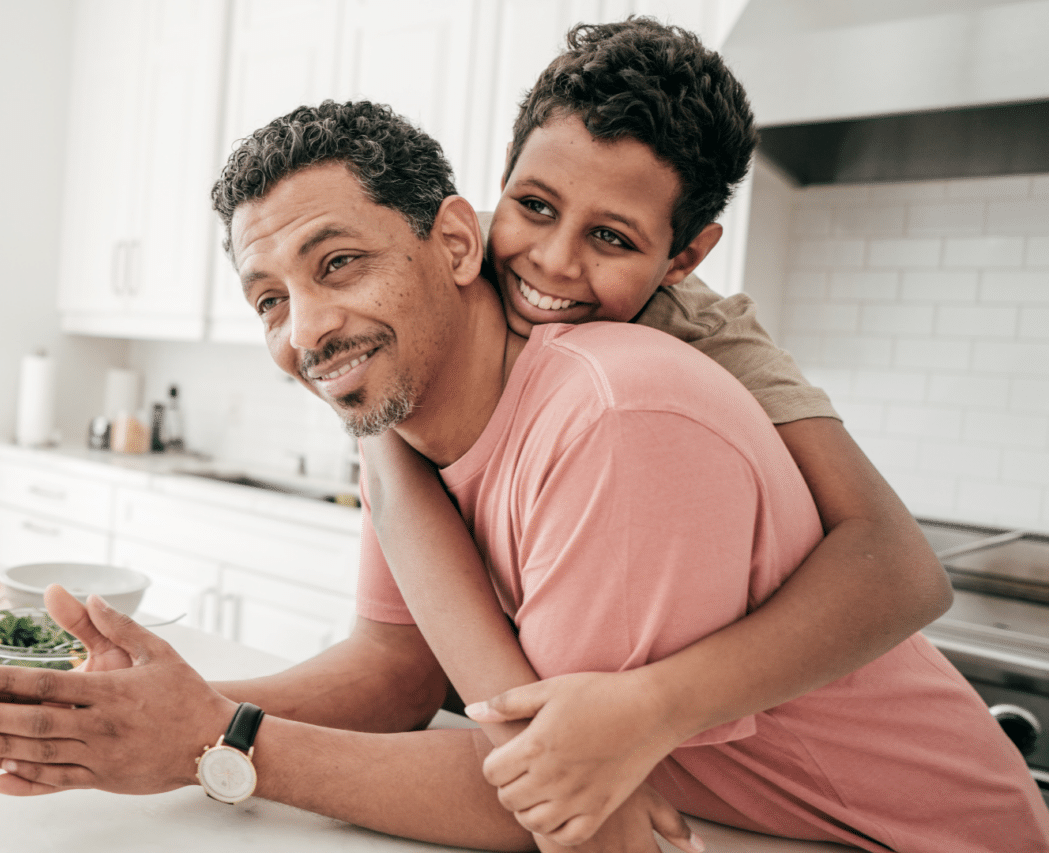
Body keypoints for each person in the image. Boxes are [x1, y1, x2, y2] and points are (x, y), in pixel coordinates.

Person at [0, 99, 1049, 852]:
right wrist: (140, 714)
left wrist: (217, 747)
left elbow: (542, 792)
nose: (306, 330)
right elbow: (397, 668)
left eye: (338, 263)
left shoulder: (619, 415)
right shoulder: (401, 420)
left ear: (456, 244)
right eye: (270, 297)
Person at [355, 17, 969, 850]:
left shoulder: (699, 337)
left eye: (612, 237)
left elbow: (904, 569)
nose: (552, 262)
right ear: (500, 182)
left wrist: (650, 708)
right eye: (534, 206)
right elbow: (410, 651)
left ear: (684, 256)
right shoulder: (463, 307)